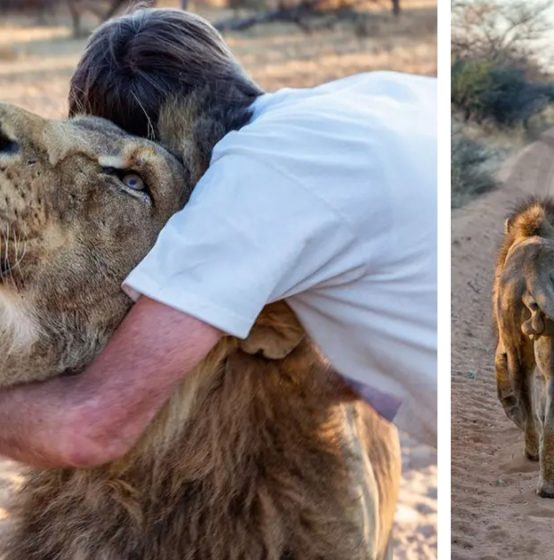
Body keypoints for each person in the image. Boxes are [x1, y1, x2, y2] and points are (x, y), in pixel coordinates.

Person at [0, 8, 436, 469]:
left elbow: (87, 429)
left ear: (177, 152)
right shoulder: (375, 92)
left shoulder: (245, 188)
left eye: (132, 177)